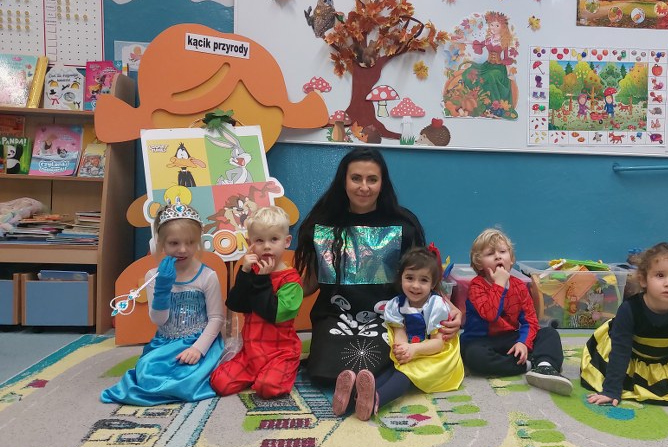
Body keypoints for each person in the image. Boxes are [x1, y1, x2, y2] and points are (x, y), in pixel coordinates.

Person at [294, 147, 462, 384]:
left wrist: (450, 307)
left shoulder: (404, 226)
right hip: (334, 315)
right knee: (323, 372)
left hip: (387, 317)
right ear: (343, 181)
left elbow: (422, 274)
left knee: (370, 364)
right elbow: (310, 282)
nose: (364, 187)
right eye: (356, 178)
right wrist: (277, 292)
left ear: (382, 183)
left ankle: (367, 389)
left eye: (372, 179)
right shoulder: (323, 224)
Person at [101, 200, 224, 405]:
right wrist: (162, 289)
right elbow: (159, 320)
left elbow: (217, 318)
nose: (183, 249)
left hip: (200, 340)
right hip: (165, 342)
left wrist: (198, 349)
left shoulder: (207, 276)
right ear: (160, 244)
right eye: (174, 243)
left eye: (190, 242)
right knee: (147, 372)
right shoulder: (153, 276)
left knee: (192, 378)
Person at [332, 245, 464, 420]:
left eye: (423, 280)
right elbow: (399, 334)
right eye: (409, 278)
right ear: (400, 277)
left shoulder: (436, 305)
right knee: (392, 369)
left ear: (433, 284)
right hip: (411, 350)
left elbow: (438, 343)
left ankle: (375, 400)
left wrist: (413, 350)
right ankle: (351, 399)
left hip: (434, 356)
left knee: (403, 376)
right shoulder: (396, 305)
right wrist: (402, 350)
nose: (415, 285)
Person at [581, 242, 668, 407]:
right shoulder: (629, 309)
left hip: (665, 358)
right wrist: (611, 390)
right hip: (630, 355)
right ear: (643, 280)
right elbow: (620, 351)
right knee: (615, 374)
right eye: (660, 275)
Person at [460, 228, 573, 396]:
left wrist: (523, 343)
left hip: (509, 338)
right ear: (479, 264)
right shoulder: (476, 286)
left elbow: (530, 320)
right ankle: (527, 365)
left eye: (502, 252)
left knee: (549, 334)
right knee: (474, 356)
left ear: (511, 259)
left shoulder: (519, 286)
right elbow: (490, 315)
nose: (498, 257)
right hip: (481, 340)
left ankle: (545, 367)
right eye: (490, 253)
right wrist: (499, 284)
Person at [210, 206, 304, 398]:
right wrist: (244, 273)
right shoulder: (252, 271)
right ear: (249, 243)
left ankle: (284, 369)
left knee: (268, 388)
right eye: (259, 241)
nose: (267, 246)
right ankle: (258, 373)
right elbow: (236, 305)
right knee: (219, 382)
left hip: (280, 352)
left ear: (286, 241)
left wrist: (261, 280)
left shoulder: (291, 280)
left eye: (274, 239)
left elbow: (273, 314)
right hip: (251, 352)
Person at [461, 11, 518, 120]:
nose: (494, 28)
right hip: (487, 65)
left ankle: (494, 107)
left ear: (502, 27)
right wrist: (464, 40)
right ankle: (476, 100)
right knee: (470, 71)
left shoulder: (504, 41)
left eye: (497, 25)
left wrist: (510, 74)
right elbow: (476, 44)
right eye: (492, 25)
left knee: (491, 76)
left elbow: (506, 58)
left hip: (498, 68)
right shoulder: (488, 40)